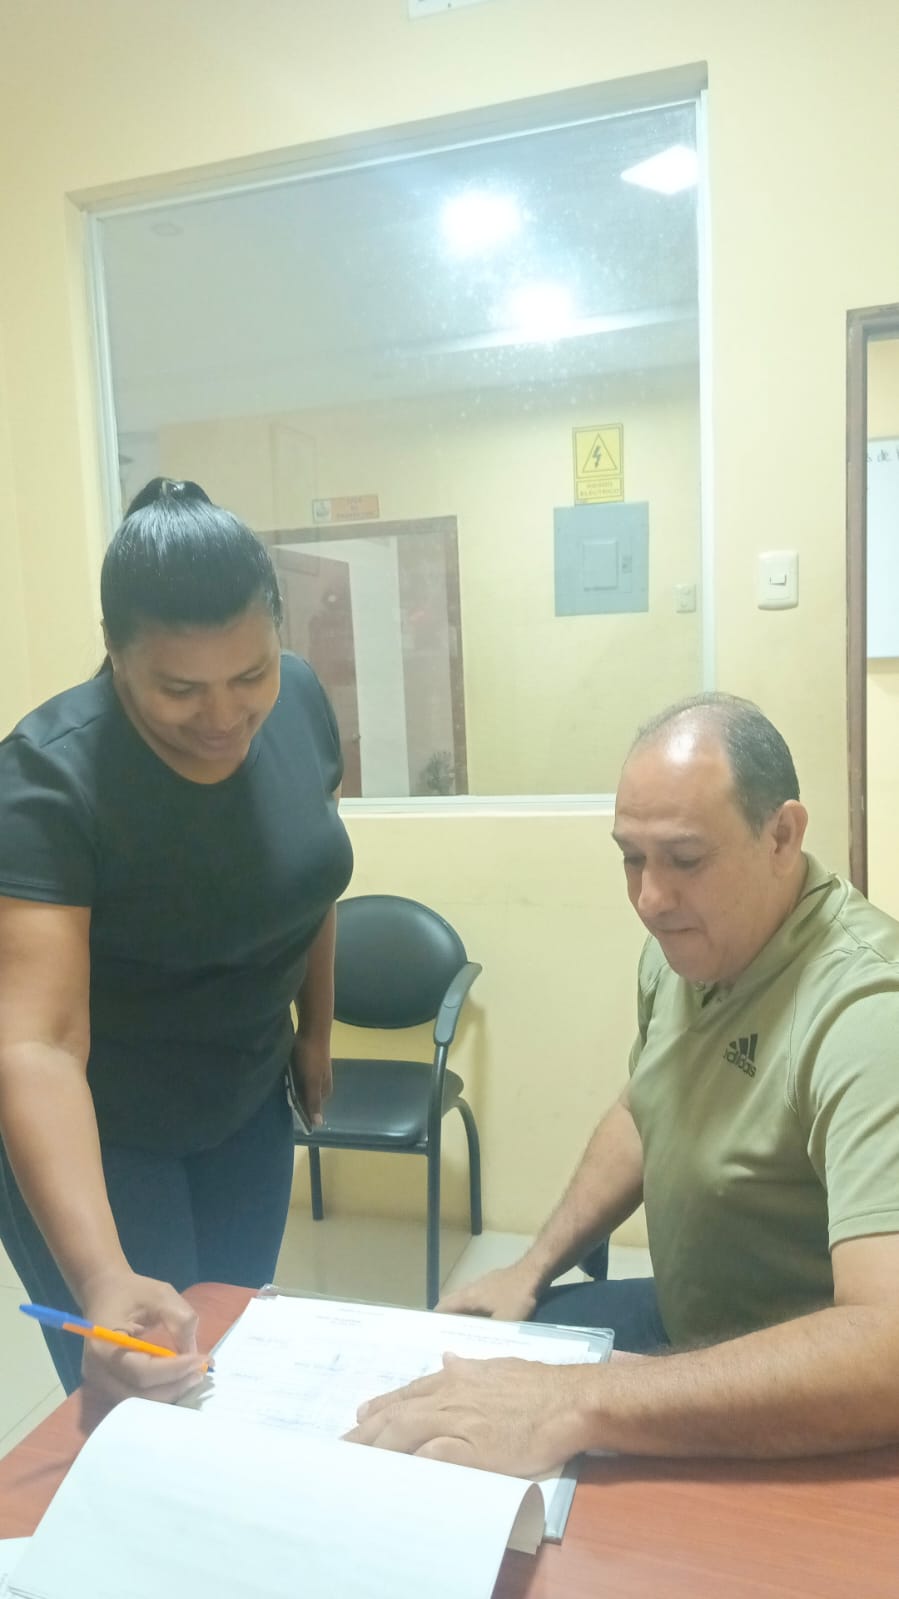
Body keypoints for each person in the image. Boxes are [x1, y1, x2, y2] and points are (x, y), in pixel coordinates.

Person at [348, 692, 899, 1471]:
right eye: (631, 858)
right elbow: (646, 1111)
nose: (649, 899)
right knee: (454, 1375)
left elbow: (885, 1348)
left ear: (781, 835)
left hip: (797, 1392)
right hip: (684, 1322)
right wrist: (530, 1267)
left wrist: (575, 1400)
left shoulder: (867, 1015)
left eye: (684, 859)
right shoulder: (688, 949)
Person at [0, 478, 353, 1401]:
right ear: (115, 653)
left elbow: (308, 871)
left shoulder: (299, 698)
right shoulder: (48, 780)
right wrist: (99, 1274)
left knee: (228, 1353)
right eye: (179, 688)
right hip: (103, 1132)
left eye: (249, 675)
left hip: (244, 1100)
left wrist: (314, 1029)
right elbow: (38, 1043)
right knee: (146, 1383)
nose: (225, 716)